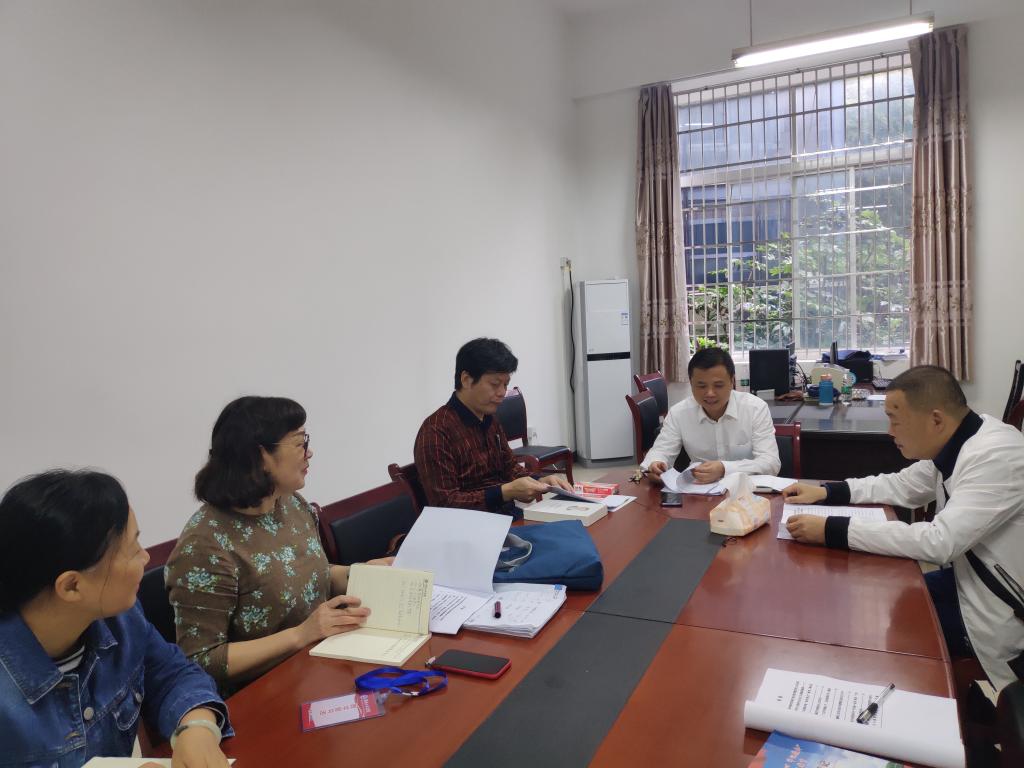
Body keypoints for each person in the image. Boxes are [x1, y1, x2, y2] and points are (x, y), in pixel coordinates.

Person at [783, 365, 1024, 691]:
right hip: (967, 582)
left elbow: (939, 542)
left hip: (1000, 613)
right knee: (893, 595)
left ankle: (954, 706)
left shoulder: (996, 457)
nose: (889, 431)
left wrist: (831, 530)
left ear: (936, 420)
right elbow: (902, 486)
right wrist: (828, 492)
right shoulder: (962, 438)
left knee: (889, 638)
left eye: (895, 420)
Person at [0, 470, 232, 767]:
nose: (146, 558)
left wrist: (196, 728)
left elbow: (172, 673)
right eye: (132, 549)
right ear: (72, 586)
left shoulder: (120, 621)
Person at [167, 396, 388, 696]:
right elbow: (201, 659)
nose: (309, 452)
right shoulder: (204, 547)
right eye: (300, 442)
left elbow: (312, 574)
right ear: (261, 455)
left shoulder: (289, 503)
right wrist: (301, 634)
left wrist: (361, 574)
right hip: (262, 695)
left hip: (318, 666)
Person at [415, 337, 572, 518]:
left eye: (505, 384)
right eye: (495, 384)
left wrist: (539, 480)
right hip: (470, 526)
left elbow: (509, 467)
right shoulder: (436, 432)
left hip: (506, 516)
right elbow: (445, 504)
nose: (502, 393)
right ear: (466, 379)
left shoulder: (490, 420)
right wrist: (504, 492)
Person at [641, 347, 781, 483]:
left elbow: (771, 463)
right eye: (701, 386)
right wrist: (655, 465)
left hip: (746, 490)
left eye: (718, 385)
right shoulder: (679, 413)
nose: (710, 393)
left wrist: (724, 468)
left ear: (732, 381)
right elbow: (660, 451)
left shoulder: (755, 409)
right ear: (691, 383)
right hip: (698, 492)